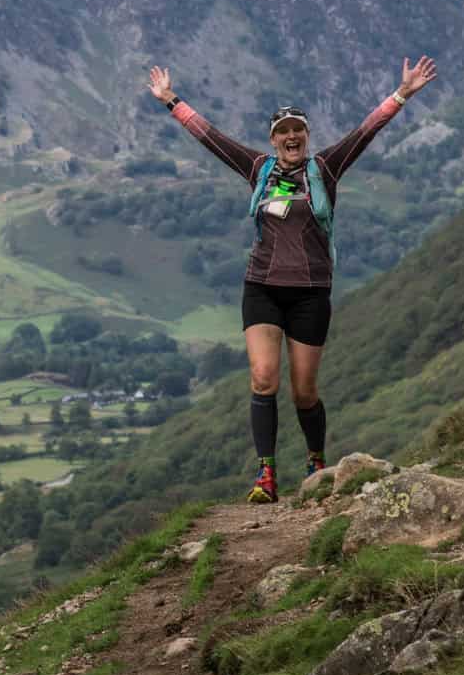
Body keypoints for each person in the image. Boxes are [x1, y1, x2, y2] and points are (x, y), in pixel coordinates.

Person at [147, 57, 438, 503]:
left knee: (304, 391)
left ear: (305, 136)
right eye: (282, 130)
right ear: (273, 139)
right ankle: (266, 476)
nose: (290, 136)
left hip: (310, 293)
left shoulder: (324, 169)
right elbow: (213, 139)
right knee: (263, 379)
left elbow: (365, 132)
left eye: (297, 129)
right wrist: (171, 101)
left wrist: (403, 94)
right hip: (261, 286)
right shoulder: (258, 169)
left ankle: (317, 462)